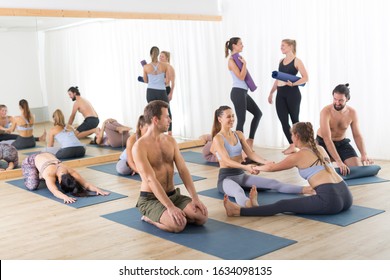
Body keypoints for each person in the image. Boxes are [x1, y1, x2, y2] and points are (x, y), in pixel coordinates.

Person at [223, 122, 353, 217]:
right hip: (346, 195)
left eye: (292, 135)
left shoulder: (298, 156)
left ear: (296, 136)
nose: (291, 138)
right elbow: (306, 154)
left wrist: (254, 167)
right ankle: (252, 208)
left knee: (282, 205)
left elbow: (273, 168)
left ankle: (238, 211)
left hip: (330, 200)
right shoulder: (320, 149)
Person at [212, 105, 313, 208]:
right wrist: (246, 167)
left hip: (241, 176)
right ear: (220, 119)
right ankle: (251, 205)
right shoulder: (218, 138)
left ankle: (306, 189)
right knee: (238, 191)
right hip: (226, 178)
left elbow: (251, 153)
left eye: (233, 116)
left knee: (273, 183)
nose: (232, 119)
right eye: (228, 117)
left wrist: (265, 162)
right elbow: (227, 161)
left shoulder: (238, 134)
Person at [132, 100, 208, 233]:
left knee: (202, 217)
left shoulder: (170, 141)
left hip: (173, 195)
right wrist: (170, 207)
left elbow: (183, 170)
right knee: (178, 225)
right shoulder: (139, 147)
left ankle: (177, 215)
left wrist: (195, 198)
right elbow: (150, 179)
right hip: (151, 199)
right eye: (167, 116)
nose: (170, 120)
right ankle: (149, 217)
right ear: (156, 120)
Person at [316, 83, 373, 175]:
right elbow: (327, 139)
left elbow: (357, 135)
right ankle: (333, 159)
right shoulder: (325, 112)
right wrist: (339, 161)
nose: (337, 103)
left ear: (347, 99)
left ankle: (336, 159)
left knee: (356, 169)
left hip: (342, 143)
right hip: (323, 142)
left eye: (341, 100)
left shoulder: (352, 112)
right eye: (335, 99)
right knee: (322, 171)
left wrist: (364, 154)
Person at [268, 39, 308, 155]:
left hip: (292, 93)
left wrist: (294, 83)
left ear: (291, 47)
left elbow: (305, 78)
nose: (281, 47)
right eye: (281, 45)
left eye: (283, 46)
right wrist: (271, 92)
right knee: (283, 121)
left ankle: (301, 145)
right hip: (280, 94)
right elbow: (278, 78)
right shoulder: (281, 61)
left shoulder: (297, 61)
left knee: (295, 121)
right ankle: (292, 145)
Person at [22, 152, 110, 204]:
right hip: (32, 160)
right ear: (59, 181)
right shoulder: (49, 174)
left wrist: (97, 189)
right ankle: (38, 171)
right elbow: (54, 191)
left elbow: (85, 184)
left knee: (48, 180)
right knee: (32, 186)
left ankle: (41, 172)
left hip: (48, 156)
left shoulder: (70, 171)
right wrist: (64, 197)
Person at [225, 37, 262, 150]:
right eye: (240, 44)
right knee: (241, 120)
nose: (242, 45)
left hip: (243, 92)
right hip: (238, 92)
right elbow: (241, 77)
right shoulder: (231, 60)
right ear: (234, 46)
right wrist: (245, 64)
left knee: (258, 113)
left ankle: (249, 141)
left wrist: (244, 63)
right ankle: (238, 148)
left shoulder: (238, 58)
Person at [159, 51, 175, 135]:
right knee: (160, 111)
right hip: (160, 89)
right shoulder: (160, 67)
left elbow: (170, 81)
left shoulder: (168, 67)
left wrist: (171, 93)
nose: (160, 58)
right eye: (159, 56)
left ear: (167, 58)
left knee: (167, 110)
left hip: (166, 89)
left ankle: (170, 132)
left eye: (162, 57)